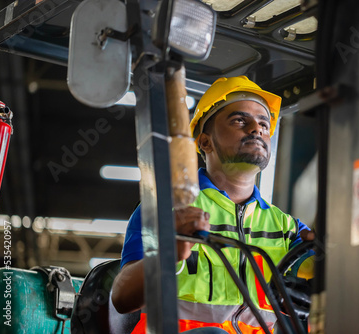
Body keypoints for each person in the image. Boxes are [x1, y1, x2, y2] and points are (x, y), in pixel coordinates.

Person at [111, 76, 314, 333]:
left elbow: (315, 275)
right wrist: (168, 252)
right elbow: (121, 298)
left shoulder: (287, 228)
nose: (256, 129)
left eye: (264, 123)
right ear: (205, 142)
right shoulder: (167, 210)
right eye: (240, 120)